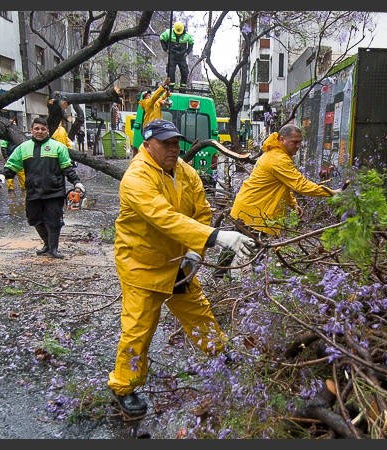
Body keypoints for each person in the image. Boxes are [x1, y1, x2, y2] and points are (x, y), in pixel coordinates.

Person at [107, 119, 255, 417]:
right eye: (166, 143)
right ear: (147, 145)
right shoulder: (137, 177)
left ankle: (220, 353)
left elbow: (200, 211)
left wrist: (194, 250)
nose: (173, 149)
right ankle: (124, 387)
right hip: (142, 265)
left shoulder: (185, 172)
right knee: (138, 328)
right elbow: (163, 217)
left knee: (197, 311)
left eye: (175, 143)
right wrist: (215, 237)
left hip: (178, 262)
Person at [214, 124, 340, 278]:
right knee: (257, 252)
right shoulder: (278, 158)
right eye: (294, 142)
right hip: (256, 212)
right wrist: (331, 193)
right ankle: (257, 283)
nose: (298, 146)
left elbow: (283, 184)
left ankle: (220, 277)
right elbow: (300, 185)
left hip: (247, 208)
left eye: (300, 142)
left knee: (236, 248)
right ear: (282, 139)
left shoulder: (276, 154)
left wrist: (293, 204)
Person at [0, 117, 85, 259]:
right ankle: (47, 244)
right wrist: (2, 175)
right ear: (32, 130)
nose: (40, 131)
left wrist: (76, 182)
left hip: (54, 191)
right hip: (33, 191)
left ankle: (53, 249)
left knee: (54, 221)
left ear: (47, 130)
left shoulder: (58, 147)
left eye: (43, 129)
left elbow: (67, 167)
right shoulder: (23, 148)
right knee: (34, 219)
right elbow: (12, 165)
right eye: (37, 128)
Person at [159, 21, 194, 90]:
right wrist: (166, 49)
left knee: (184, 72)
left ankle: (183, 88)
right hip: (172, 56)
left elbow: (191, 43)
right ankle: (171, 87)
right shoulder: (168, 33)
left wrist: (187, 52)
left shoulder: (187, 35)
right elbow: (161, 38)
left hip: (182, 57)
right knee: (171, 71)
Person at [0, 119, 25, 191]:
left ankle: (24, 186)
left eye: (15, 124)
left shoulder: (18, 134)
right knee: (10, 171)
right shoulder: (6, 136)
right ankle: (10, 187)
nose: (14, 125)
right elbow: (3, 147)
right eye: (13, 124)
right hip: (10, 156)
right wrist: (6, 157)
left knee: (21, 172)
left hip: (19, 156)